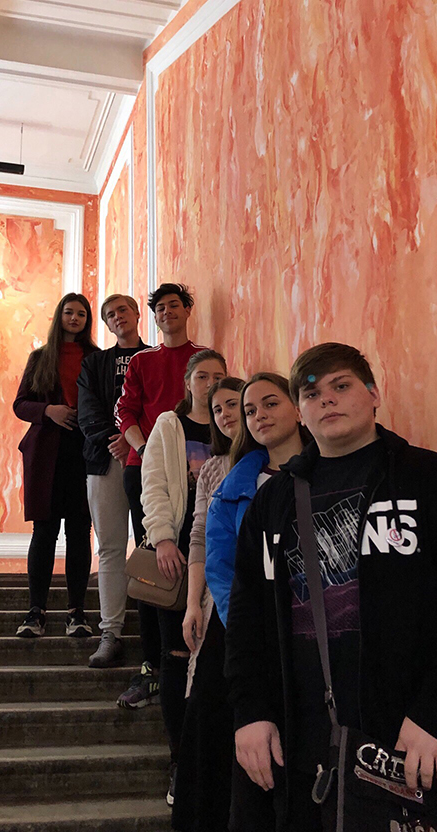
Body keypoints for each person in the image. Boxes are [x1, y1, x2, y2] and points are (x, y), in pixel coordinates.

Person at [225, 342, 437, 832]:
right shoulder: (272, 503)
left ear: (374, 394)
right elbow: (246, 614)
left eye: (341, 386)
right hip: (299, 751)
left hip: (409, 744)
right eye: (312, 394)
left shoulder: (430, 480)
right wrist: (250, 711)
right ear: (301, 411)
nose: (327, 400)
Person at [203, 372, 308, 832]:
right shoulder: (232, 488)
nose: (259, 415)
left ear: (297, 408)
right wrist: (245, 629)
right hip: (258, 642)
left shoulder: (333, 471)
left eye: (270, 403)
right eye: (250, 410)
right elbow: (224, 571)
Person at [141, 349, 228, 808]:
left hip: (223, 557)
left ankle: (209, 759)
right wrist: (161, 539)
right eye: (203, 376)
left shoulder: (234, 427)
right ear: (189, 382)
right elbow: (153, 484)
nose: (210, 383)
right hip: (175, 552)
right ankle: (180, 760)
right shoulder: (169, 426)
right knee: (177, 656)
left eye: (219, 376)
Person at [114, 282, 205, 710]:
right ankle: (152, 666)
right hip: (145, 473)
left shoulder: (203, 360)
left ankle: (192, 657)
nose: (166, 313)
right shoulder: (142, 361)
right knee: (154, 568)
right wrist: (149, 449)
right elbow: (126, 412)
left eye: (174, 305)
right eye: (160, 308)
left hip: (199, 474)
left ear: (187, 310)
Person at [173, 375, 244, 832]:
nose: (225, 414)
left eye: (233, 404)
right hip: (216, 600)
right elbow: (198, 537)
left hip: (263, 601)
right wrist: (193, 604)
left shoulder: (282, 460)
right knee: (207, 710)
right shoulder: (213, 468)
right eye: (217, 409)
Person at [12, 293, 99, 639]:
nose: (74, 318)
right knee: (44, 532)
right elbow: (20, 404)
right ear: (59, 316)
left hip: (84, 451)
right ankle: (36, 612)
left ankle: (77, 612)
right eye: (69, 312)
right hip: (46, 453)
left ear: (87, 320)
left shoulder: (96, 358)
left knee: (79, 531)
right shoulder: (40, 357)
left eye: (81, 314)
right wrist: (49, 411)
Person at [77, 293, 148, 667]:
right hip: (105, 461)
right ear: (105, 324)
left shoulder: (153, 357)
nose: (117, 317)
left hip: (149, 460)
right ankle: (111, 632)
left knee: (155, 542)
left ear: (137, 314)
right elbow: (86, 410)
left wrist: (134, 440)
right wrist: (117, 440)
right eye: (109, 314)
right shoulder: (94, 364)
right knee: (110, 548)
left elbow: (163, 406)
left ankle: (157, 630)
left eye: (123, 310)